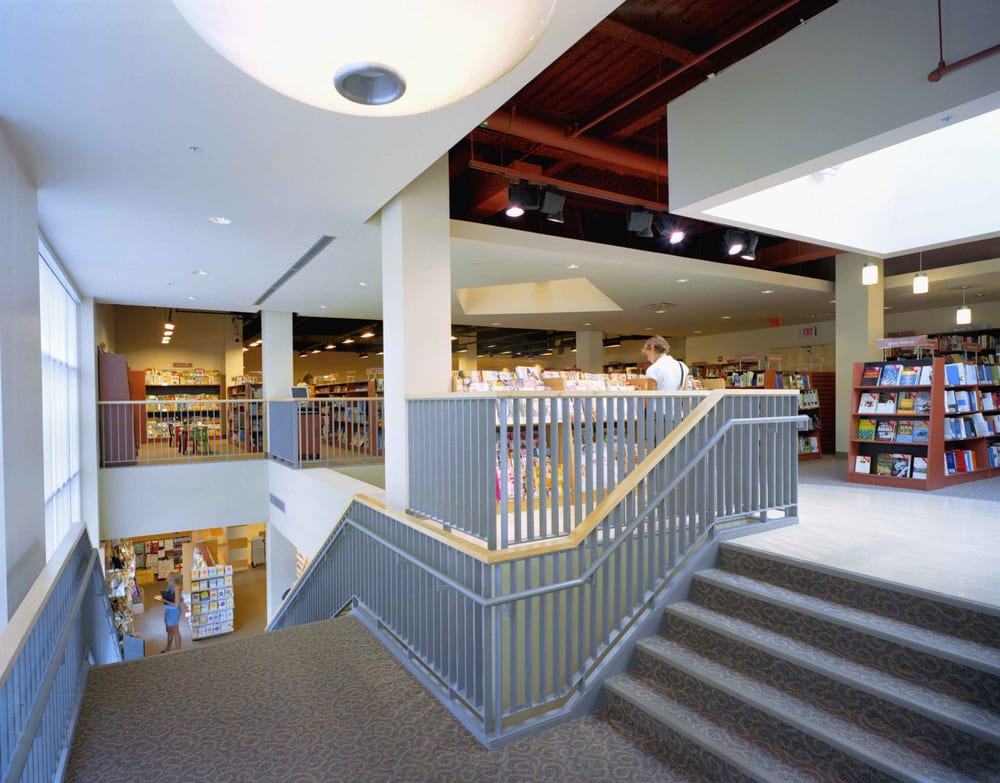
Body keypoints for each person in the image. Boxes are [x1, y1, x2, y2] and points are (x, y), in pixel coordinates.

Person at [155, 573, 183, 653]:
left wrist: (164, 600)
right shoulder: (171, 586)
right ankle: (168, 648)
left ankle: (178, 651)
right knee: (169, 630)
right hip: (168, 610)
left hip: (173, 612)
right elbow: (173, 597)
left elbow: (176, 604)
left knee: (175, 630)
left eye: (168, 578)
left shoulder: (176, 588)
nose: (167, 579)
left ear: (173, 579)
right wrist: (162, 598)